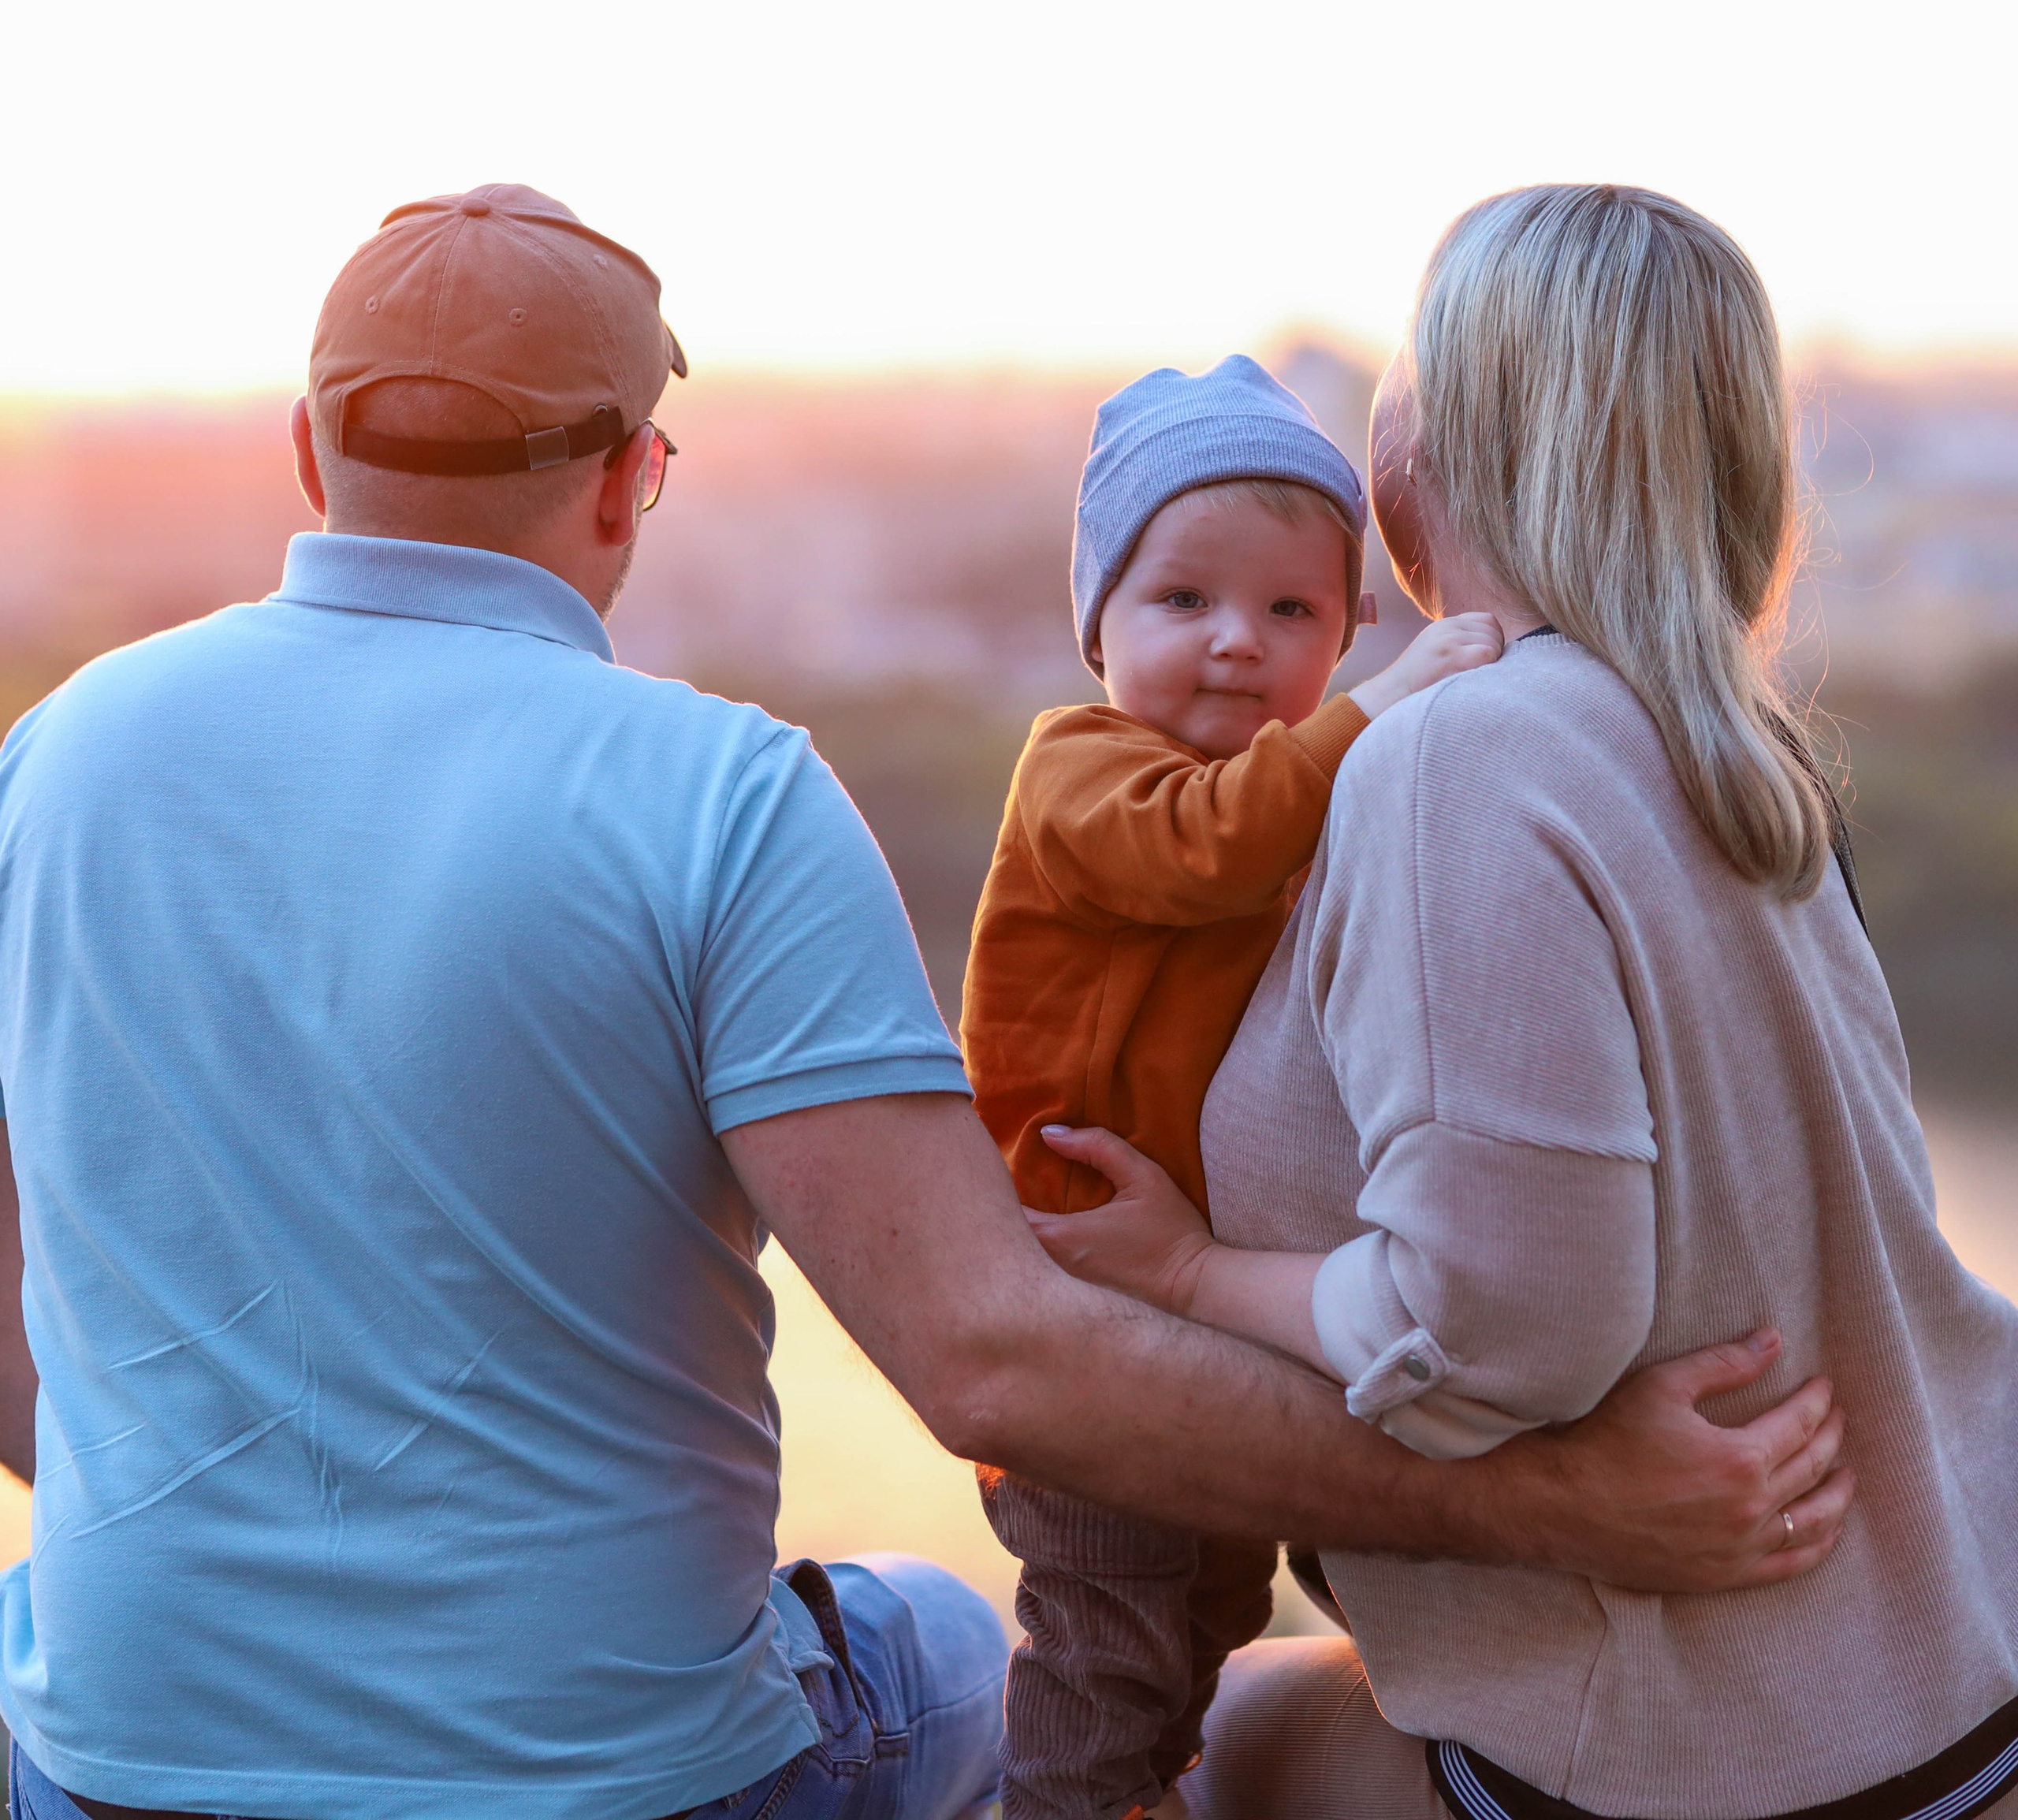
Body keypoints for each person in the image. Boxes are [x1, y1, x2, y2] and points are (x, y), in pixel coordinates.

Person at [0, 185, 1849, 1820]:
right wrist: (1556, 1499)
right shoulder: (711, 791)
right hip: (613, 1772)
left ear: (310, 453)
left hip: (115, 1749)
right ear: (632, 480)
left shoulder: (54, 758)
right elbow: (991, 1358)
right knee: (956, 1638)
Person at [1031, 184, 2018, 1820]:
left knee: (1199, 1764)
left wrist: (1199, 1275)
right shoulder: (1724, 738)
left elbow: (1505, 1326)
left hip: (1715, 1751)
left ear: (1438, 442)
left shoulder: (1458, 757)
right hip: (1942, 1661)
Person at [964, 355, 1500, 1820]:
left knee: (1212, 1606)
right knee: (1105, 1631)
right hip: (1084, 1311)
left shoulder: (1304, 797)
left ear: (1342, 622)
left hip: (1207, 1308)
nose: (1235, 647)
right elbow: (1200, 847)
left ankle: (1164, 1785)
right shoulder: (1084, 774)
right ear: (1099, 626)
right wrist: (1375, 716)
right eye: (1181, 601)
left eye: (1291, 613)